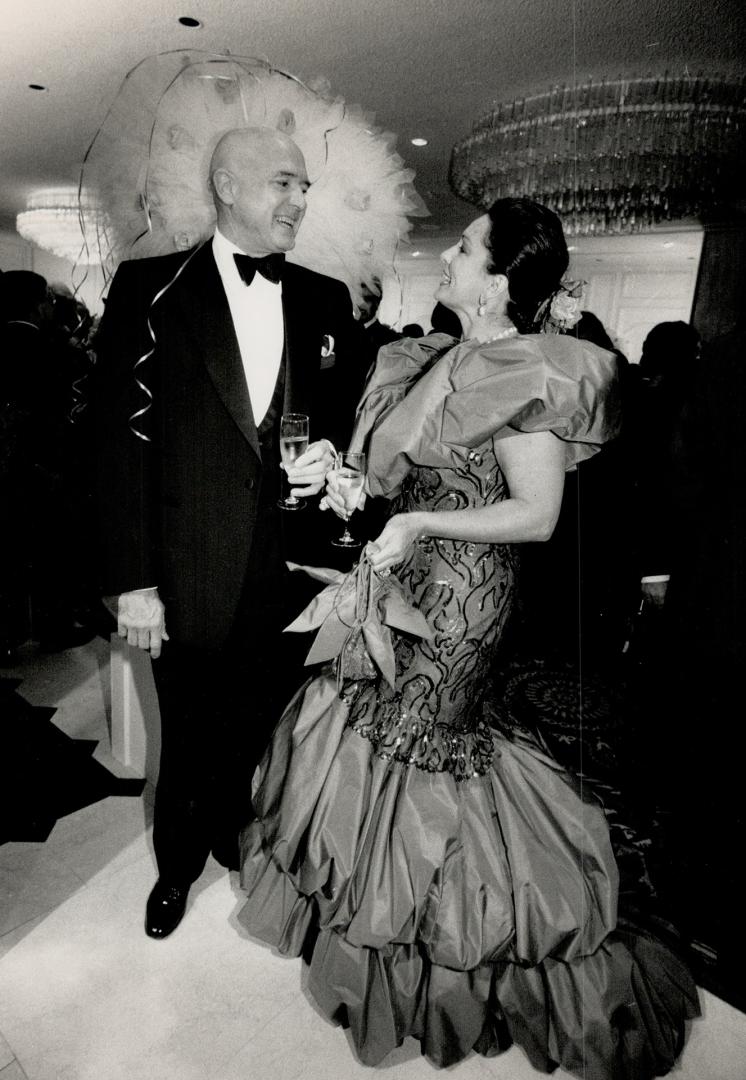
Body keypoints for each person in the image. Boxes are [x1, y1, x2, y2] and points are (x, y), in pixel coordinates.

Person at [237, 199, 698, 1076]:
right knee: (371, 740)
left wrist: (414, 530)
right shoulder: (432, 357)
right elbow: (410, 489)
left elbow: (536, 516)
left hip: (463, 601)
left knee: (424, 753)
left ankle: (444, 963)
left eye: (464, 246)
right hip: (404, 580)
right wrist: (350, 490)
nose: (447, 253)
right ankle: (382, 948)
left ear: (497, 283)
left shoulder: (532, 370)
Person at [93, 126, 361, 940]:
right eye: (285, 183)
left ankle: (233, 834)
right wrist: (132, 581)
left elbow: (340, 419)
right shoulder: (150, 289)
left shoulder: (325, 298)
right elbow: (113, 447)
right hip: (183, 569)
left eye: (306, 188)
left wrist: (331, 462)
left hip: (284, 568)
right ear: (227, 186)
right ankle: (177, 866)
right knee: (187, 733)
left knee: (258, 722)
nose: (300, 202)